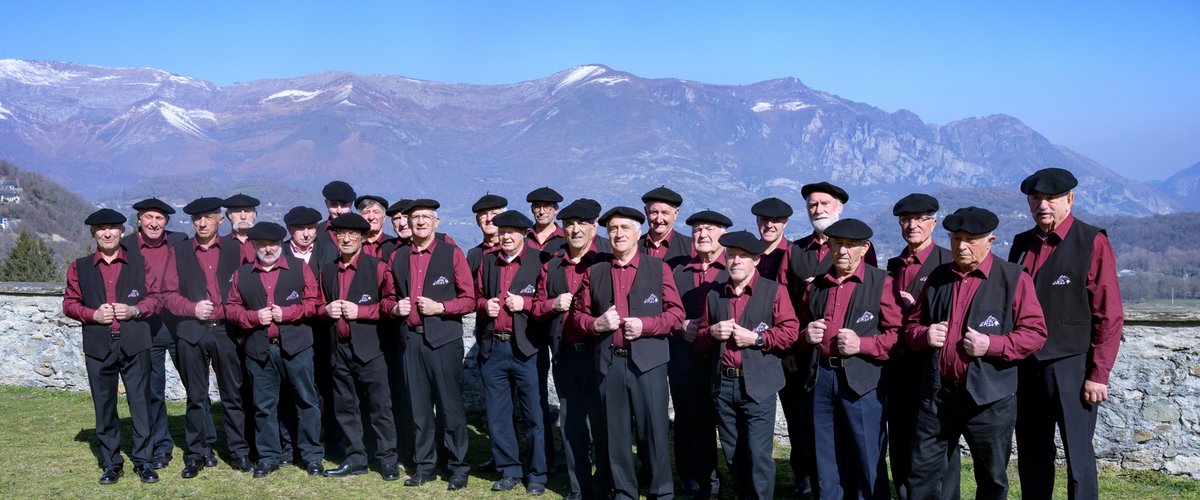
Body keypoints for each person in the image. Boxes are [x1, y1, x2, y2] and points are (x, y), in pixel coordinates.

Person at [902, 207, 1048, 500]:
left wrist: (991, 345)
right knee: (921, 473)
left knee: (991, 477)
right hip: (939, 395)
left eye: (970, 239)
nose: (961, 246)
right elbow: (911, 326)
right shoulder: (939, 277)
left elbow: (1035, 333)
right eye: (956, 238)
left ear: (990, 241)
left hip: (989, 399)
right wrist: (924, 335)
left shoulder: (1013, 278)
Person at [1009, 168, 1124, 500]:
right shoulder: (1021, 244)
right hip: (1027, 366)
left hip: (1073, 366)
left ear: (1069, 199)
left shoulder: (1092, 241)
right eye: (1036, 199)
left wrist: (1098, 374)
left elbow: (1109, 314)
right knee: (1032, 454)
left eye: (1050, 198)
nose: (1042, 205)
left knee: (1079, 457)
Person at [570, 206, 685, 499]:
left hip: (649, 364)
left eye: (624, 228)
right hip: (610, 364)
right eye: (613, 229)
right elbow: (577, 316)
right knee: (616, 435)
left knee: (654, 432)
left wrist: (646, 325)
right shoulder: (595, 271)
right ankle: (624, 492)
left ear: (638, 232)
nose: (618, 234)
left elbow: (676, 315)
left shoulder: (659, 269)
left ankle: (662, 492)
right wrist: (596, 324)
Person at [781, 181, 875, 496]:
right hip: (808, 357)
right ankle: (810, 481)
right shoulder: (796, 250)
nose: (818, 209)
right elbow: (785, 303)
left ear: (839, 208)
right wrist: (793, 345)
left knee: (854, 436)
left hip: (852, 360)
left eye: (824, 204)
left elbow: (868, 299)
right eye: (813, 205)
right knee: (812, 431)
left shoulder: (863, 249)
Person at [799, 219, 900, 499]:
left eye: (850, 245)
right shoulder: (817, 286)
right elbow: (799, 329)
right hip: (821, 378)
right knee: (825, 457)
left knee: (867, 455)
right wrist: (806, 335)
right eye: (837, 244)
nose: (842, 251)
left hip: (863, 381)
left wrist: (862, 345)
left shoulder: (881, 283)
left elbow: (897, 336)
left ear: (865, 248)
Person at [695, 230, 799, 500]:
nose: (736, 261)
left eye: (743, 256)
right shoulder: (715, 294)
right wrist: (712, 333)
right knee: (733, 451)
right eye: (731, 255)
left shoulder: (774, 291)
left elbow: (790, 333)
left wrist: (758, 339)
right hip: (723, 384)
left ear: (756, 259)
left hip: (759, 386)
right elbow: (701, 338)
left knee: (758, 453)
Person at [63, 208, 163, 484]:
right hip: (98, 346)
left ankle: (144, 461)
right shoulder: (79, 267)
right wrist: (92, 315)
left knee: (141, 404)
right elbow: (69, 304)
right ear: (93, 233)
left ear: (122, 231)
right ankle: (111, 463)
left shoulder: (141, 263)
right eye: (101, 229)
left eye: (112, 228)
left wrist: (135, 310)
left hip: (135, 343)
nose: (107, 234)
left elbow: (156, 299)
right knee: (104, 406)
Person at [225, 222, 325, 477]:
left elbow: (314, 303)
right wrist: (253, 317)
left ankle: (312, 455)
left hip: (297, 347)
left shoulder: (299, 268)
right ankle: (269, 457)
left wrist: (288, 313)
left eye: (272, 244)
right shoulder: (242, 274)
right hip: (259, 349)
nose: (268, 249)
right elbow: (232, 309)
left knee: (307, 401)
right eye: (262, 245)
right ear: (254, 246)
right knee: (264, 406)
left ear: (280, 244)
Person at [389, 199, 476, 490]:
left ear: (436, 222)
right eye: (416, 217)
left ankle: (458, 466)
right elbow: (387, 297)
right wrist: (394, 308)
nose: (421, 222)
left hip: (444, 341)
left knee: (451, 408)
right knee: (420, 408)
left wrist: (441, 307)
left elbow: (469, 299)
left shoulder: (452, 253)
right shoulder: (399, 257)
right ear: (408, 223)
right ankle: (425, 466)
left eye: (427, 217)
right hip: (412, 340)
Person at [168, 196, 253, 477]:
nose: (202, 223)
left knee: (233, 395)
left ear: (220, 219)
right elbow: (168, 295)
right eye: (197, 219)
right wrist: (191, 308)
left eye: (208, 217)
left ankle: (239, 452)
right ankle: (197, 453)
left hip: (226, 330)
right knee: (196, 396)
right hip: (191, 330)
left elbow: (248, 287)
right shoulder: (179, 251)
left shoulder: (235, 249)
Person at [532, 198, 610, 500]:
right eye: (569, 224)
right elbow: (536, 307)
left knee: (603, 423)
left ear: (594, 226)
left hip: (600, 355)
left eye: (582, 224)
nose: (575, 230)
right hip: (565, 355)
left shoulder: (606, 260)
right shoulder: (552, 265)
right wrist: (553, 304)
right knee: (572, 424)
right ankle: (579, 487)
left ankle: (604, 484)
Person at [884, 193, 956, 500]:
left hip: (931, 365)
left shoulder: (947, 262)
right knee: (900, 439)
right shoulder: (893, 265)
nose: (912, 225)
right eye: (905, 220)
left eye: (920, 219)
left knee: (939, 442)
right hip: (897, 365)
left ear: (933, 223)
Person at [318, 213, 401, 480]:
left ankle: (387, 459)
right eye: (341, 234)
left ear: (363, 238)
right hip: (339, 349)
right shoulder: (327, 269)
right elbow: (317, 304)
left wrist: (361, 312)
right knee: (345, 408)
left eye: (352, 234)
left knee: (380, 407)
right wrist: (325, 310)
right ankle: (355, 459)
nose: (346, 239)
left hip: (371, 350)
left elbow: (390, 305)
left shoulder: (378, 267)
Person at [474, 210, 550, 495]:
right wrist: (485, 306)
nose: (506, 236)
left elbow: (546, 302)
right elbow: (475, 297)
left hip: (527, 349)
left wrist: (525, 304)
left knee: (534, 415)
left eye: (512, 232)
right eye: (502, 231)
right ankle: (509, 470)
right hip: (493, 348)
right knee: (498, 415)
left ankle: (538, 473)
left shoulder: (540, 261)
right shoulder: (488, 261)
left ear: (524, 234)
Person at [121, 198, 190, 471]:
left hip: (179, 324)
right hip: (146, 326)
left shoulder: (180, 241)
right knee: (153, 390)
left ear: (166, 222)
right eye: (148, 217)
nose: (153, 223)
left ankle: (203, 442)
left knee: (195, 386)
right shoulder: (126, 246)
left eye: (159, 218)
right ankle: (162, 446)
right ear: (138, 220)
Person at [670, 209, 732, 498]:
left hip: (722, 357)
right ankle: (692, 476)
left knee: (725, 421)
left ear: (723, 234)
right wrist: (681, 325)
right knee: (687, 418)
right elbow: (666, 311)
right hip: (685, 357)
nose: (702, 235)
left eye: (709, 229)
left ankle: (729, 477)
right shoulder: (678, 272)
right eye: (696, 230)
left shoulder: (732, 269)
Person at [639, 186, 693, 269]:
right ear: (646, 212)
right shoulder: (633, 247)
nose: (659, 220)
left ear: (676, 213)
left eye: (665, 213)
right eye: (654, 212)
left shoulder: (691, 248)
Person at [751, 197, 793, 282]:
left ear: (785, 223)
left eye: (775, 220)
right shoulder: (749, 254)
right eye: (764, 219)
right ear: (757, 221)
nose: (769, 225)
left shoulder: (795, 254)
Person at [467, 193, 508, 272]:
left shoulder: (514, 250)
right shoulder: (473, 255)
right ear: (477, 221)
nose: (489, 219)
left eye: (494, 213)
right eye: (484, 214)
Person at [316, 180, 357, 258]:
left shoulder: (364, 230)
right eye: (334, 204)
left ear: (351, 204)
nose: (339, 211)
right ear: (326, 203)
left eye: (344, 205)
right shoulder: (317, 232)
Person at [526, 186, 567, 256]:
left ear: (556, 209)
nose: (542, 212)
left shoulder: (566, 239)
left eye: (547, 207)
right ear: (532, 210)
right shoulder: (523, 237)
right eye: (537, 207)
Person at [223, 193, 260, 264]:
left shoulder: (266, 244)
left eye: (247, 211)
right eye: (237, 211)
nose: (243, 217)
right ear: (228, 215)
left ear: (255, 215)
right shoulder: (221, 245)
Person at [354, 195, 391, 259]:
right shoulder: (352, 245)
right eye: (366, 212)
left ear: (384, 218)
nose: (371, 217)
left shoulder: (394, 246)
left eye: (376, 212)